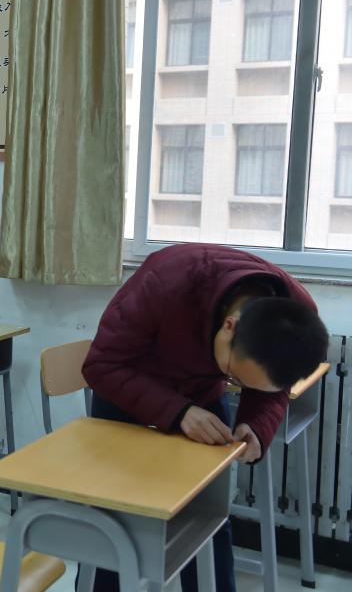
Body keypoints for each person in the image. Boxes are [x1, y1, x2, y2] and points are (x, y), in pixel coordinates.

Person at [82, 242, 328, 592]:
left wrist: (256, 426)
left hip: (201, 391)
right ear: (229, 326)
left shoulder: (297, 316)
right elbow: (102, 365)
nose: (237, 386)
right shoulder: (167, 281)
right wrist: (178, 411)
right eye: (233, 375)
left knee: (208, 515)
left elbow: (274, 388)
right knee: (114, 513)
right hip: (129, 383)